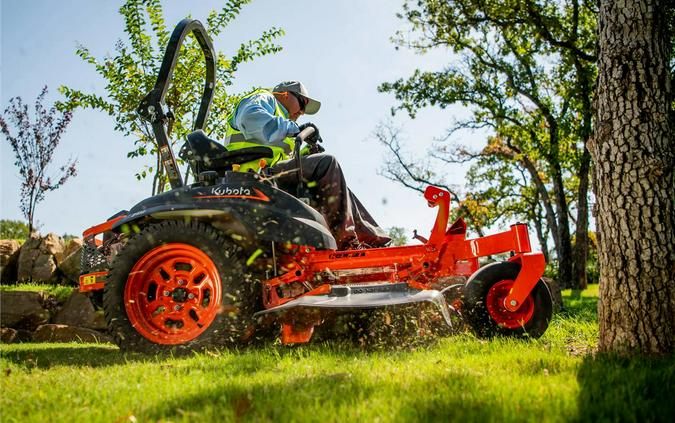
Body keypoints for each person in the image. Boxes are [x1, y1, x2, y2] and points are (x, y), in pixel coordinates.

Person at [223, 81, 391, 250]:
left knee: (334, 182)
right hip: (249, 174)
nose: (302, 112)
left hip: (269, 173)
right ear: (285, 94)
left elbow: (281, 158)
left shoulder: (281, 121)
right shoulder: (264, 98)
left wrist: (308, 153)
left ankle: (373, 242)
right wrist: (295, 129)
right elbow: (251, 119)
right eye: (302, 103)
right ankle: (345, 243)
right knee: (327, 163)